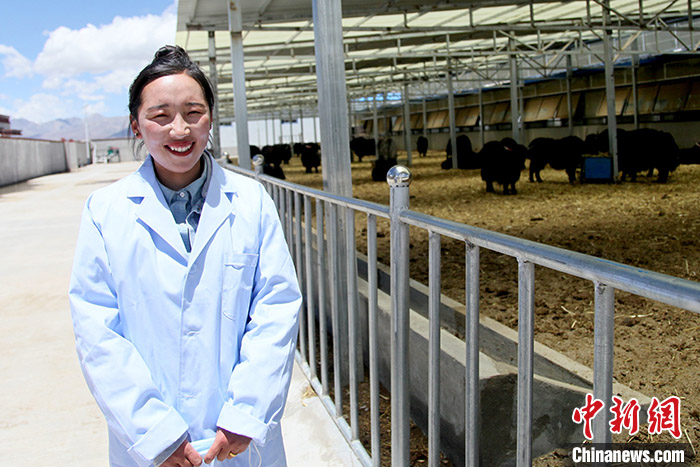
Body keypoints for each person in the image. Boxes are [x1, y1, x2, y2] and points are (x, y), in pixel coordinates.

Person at [69, 45, 302, 467]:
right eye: (160, 115)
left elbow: (276, 308)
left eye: (193, 112)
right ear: (136, 126)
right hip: (150, 447)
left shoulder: (251, 201)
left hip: (238, 440)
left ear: (210, 119)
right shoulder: (105, 211)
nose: (179, 129)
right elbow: (97, 331)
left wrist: (247, 413)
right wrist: (153, 432)